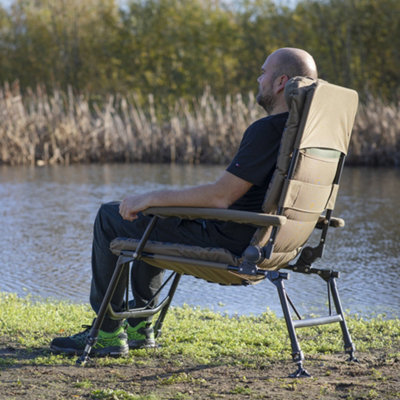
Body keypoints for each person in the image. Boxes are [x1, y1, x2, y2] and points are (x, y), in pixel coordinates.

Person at [50, 47, 318, 357]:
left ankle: (108, 332)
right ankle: (139, 326)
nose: (258, 79)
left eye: (263, 73)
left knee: (112, 216)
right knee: (151, 218)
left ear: (281, 81)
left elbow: (220, 197)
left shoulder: (266, 130)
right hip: (272, 244)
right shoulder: (303, 138)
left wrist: (150, 197)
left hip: (231, 243)